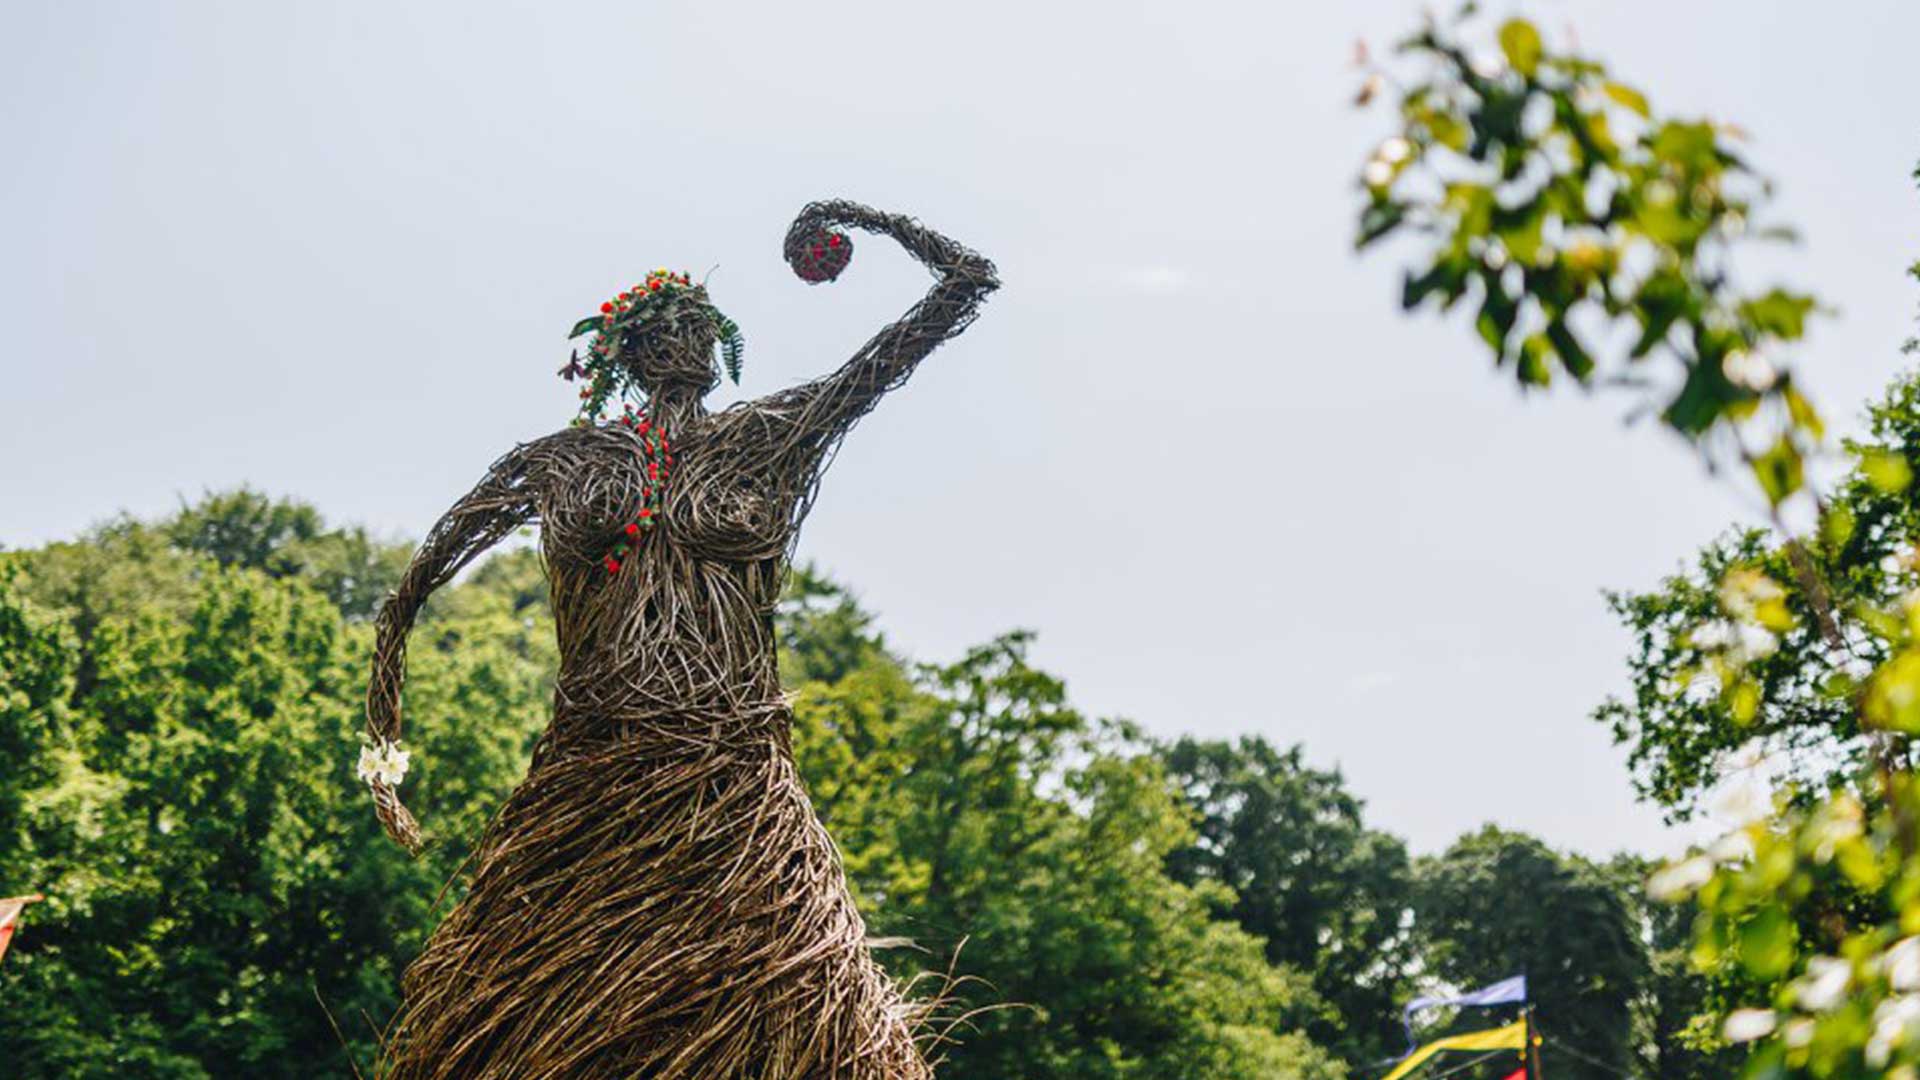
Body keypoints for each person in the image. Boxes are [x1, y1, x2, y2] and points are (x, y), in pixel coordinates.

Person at [358, 200, 997, 1079]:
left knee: (789, 1004)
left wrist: (845, 218)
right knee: (530, 1014)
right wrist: (383, 765)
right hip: (595, 769)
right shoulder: (566, 460)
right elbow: (413, 589)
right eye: (661, 330)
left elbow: (965, 285)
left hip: (730, 771)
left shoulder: (765, 440)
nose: (682, 343)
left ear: (715, 344)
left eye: (698, 327)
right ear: (624, 354)